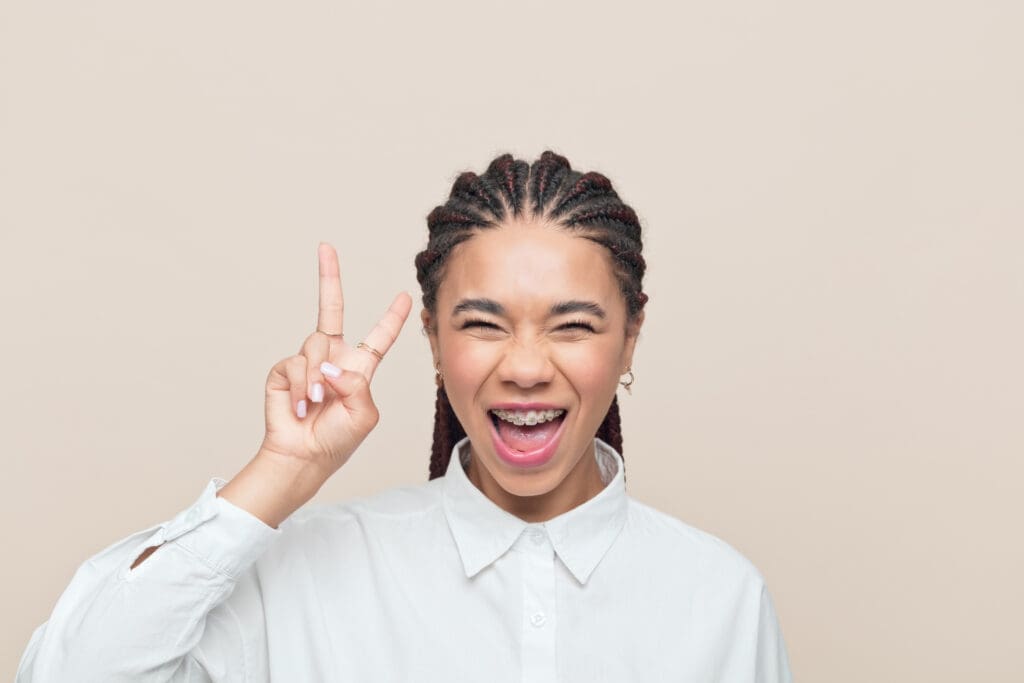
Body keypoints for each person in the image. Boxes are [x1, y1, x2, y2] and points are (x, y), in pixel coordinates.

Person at [16, 151, 793, 682]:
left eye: (573, 325)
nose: (524, 365)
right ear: (431, 336)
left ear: (631, 336)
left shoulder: (719, 597)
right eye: (484, 323)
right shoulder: (306, 577)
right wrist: (278, 477)